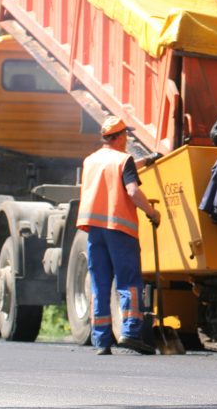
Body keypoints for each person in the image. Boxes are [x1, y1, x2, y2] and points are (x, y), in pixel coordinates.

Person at [76, 116, 161, 356]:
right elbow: (132, 190)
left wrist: (146, 162)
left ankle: (102, 341)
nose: (128, 140)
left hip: (94, 231)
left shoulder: (91, 160)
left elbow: (115, 173)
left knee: (100, 284)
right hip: (119, 229)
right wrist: (152, 213)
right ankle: (131, 333)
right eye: (127, 135)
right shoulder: (124, 160)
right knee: (129, 283)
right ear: (120, 136)